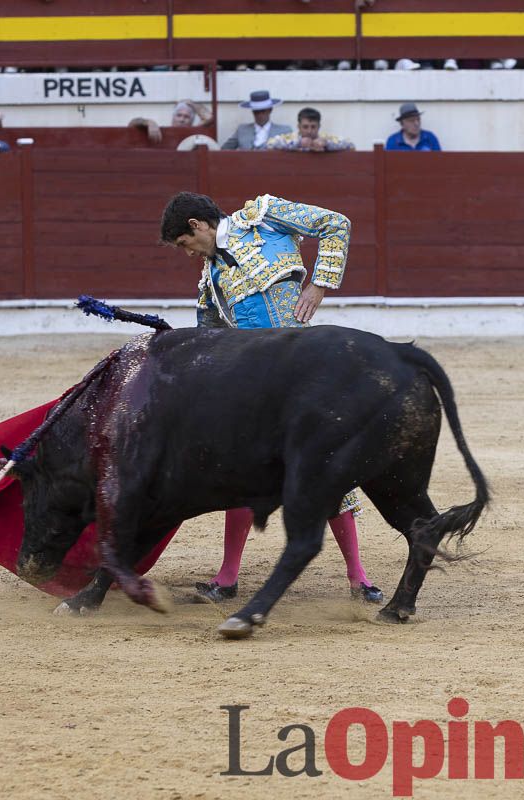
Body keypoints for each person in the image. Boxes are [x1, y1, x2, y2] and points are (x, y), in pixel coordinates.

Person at [158, 190, 383, 604]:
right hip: (256, 388)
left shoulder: (263, 217)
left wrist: (318, 286)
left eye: (184, 244)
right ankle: (226, 579)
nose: (188, 254)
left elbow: (337, 223)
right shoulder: (209, 281)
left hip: (303, 372)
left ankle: (359, 578)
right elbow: (210, 343)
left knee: (326, 467)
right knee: (241, 473)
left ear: (197, 225)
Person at [220, 90, 291, 150]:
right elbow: (223, 151)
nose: (260, 115)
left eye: (263, 111)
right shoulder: (242, 130)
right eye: (256, 112)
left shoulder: (284, 131)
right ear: (252, 111)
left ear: (270, 110)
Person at [265, 107, 354, 152]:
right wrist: (298, 143)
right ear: (298, 127)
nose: (309, 131)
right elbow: (269, 144)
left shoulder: (325, 138)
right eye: (305, 127)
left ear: (319, 127)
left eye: (313, 127)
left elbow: (351, 145)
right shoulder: (291, 138)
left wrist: (327, 144)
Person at [129, 100, 214, 145]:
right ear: (173, 117)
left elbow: (209, 117)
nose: (182, 119)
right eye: (179, 115)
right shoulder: (157, 130)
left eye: (186, 117)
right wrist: (148, 122)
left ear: (191, 121)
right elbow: (132, 124)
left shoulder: (194, 132)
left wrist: (191, 104)